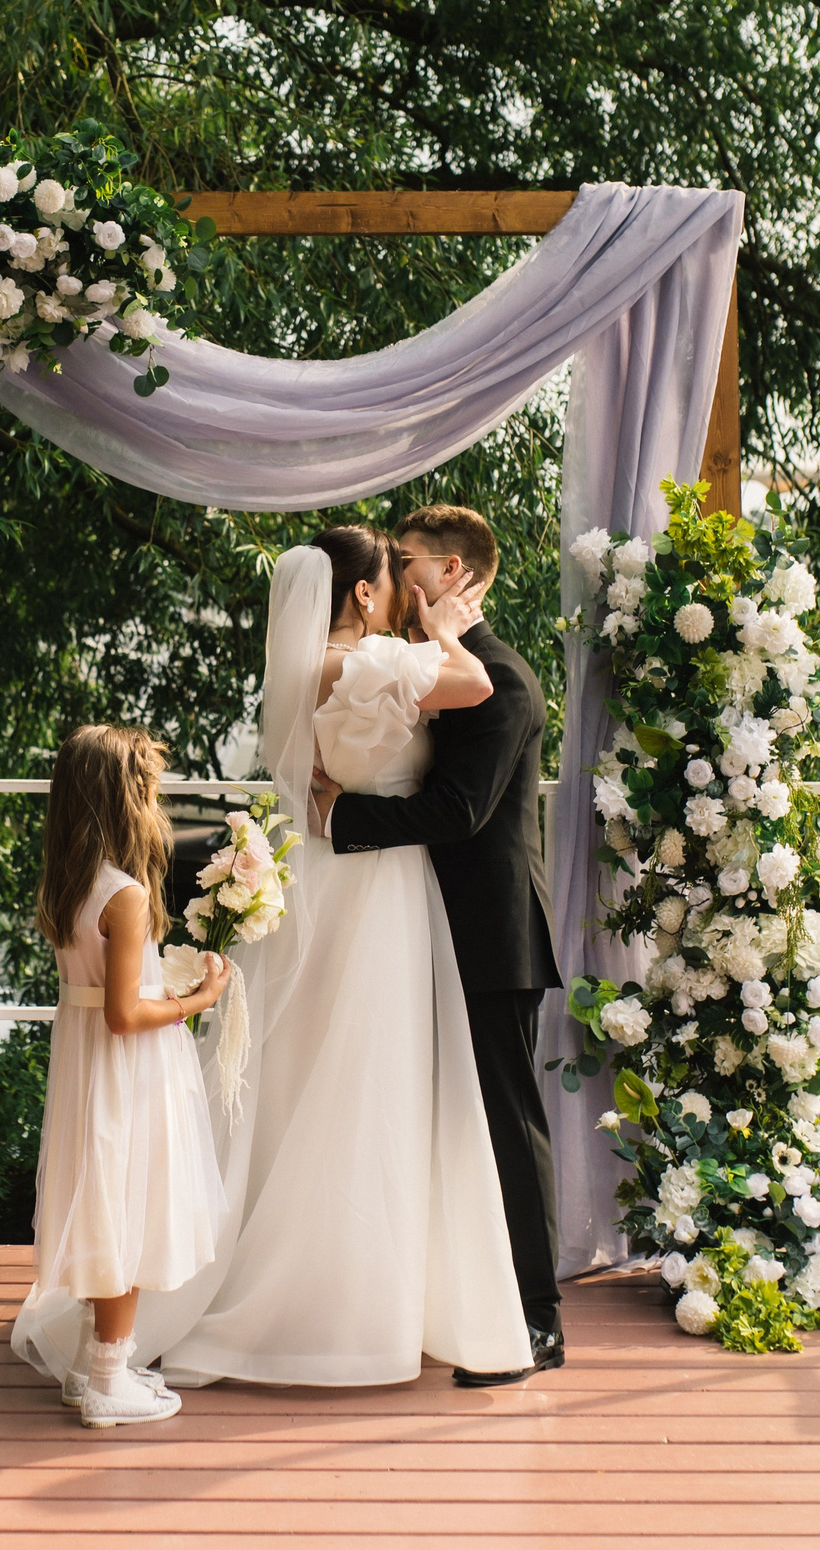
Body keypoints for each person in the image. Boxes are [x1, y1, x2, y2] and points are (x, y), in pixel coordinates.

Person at [16, 524, 532, 1389]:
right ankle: (345, 1300)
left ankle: (313, 1278)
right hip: (378, 888)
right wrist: (445, 626)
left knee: (301, 1075)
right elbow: (475, 681)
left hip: (322, 872)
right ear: (363, 594)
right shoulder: (365, 665)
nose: (403, 594)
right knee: (370, 1080)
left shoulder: (309, 669)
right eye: (390, 580)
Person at [312, 504, 565, 1384]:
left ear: (454, 572)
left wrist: (338, 817)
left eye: (409, 559)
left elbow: (457, 810)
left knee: (504, 1124)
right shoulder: (435, 661)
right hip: (421, 928)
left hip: (492, 935)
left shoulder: (504, 679)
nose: (397, 569)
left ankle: (537, 1319)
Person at [8, 725, 231, 1427]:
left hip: (84, 1068)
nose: (155, 799)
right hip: (126, 1068)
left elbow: (101, 991)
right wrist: (200, 998)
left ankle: (88, 1365)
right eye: (147, 786)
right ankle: (109, 1376)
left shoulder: (71, 884)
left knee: (105, 1197)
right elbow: (126, 1013)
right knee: (130, 1206)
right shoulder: (128, 895)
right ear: (123, 797)